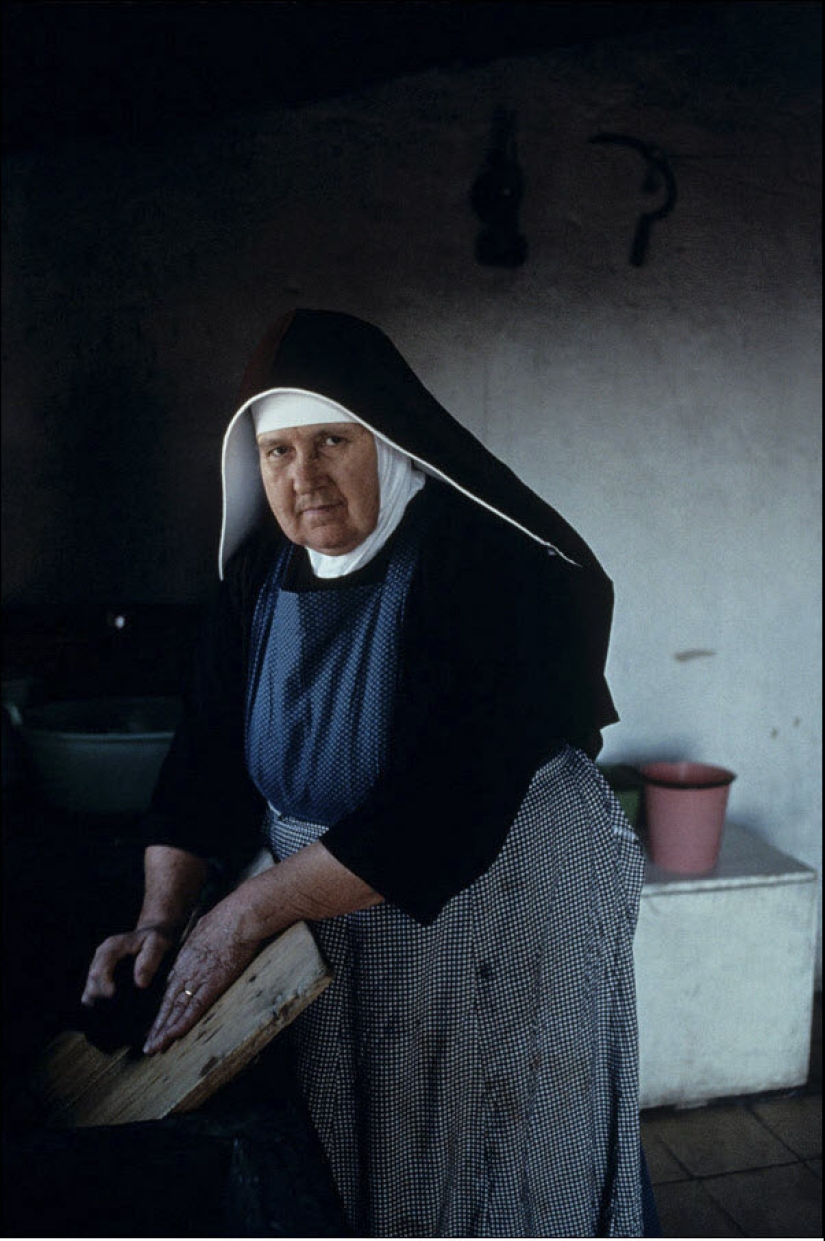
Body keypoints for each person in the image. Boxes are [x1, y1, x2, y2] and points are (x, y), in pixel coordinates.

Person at [82, 309, 649, 1237]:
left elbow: (441, 810)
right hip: (337, 903)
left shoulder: (489, 567)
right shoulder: (258, 575)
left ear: (385, 441)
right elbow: (204, 756)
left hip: (499, 898)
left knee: (484, 1145)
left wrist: (242, 913)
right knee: (366, 1153)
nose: (302, 477)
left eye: (331, 442)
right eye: (278, 452)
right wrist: (160, 920)